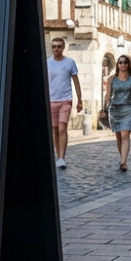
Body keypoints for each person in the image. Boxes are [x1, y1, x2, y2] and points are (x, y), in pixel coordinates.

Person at [103, 55, 131, 173]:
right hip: (115, 110)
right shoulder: (112, 78)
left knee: (125, 135)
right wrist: (104, 109)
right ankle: (122, 157)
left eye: (125, 62)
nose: (122, 65)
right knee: (119, 138)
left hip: (128, 110)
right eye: (120, 62)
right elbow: (108, 95)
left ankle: (123, 162)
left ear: (129, 64)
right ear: (117, 64)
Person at [47, 37, 82, 170]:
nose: (56, 49)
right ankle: (58, 155)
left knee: (62, 127)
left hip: (65, 100)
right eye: (54, 46)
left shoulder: (70, 63)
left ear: (63, 48)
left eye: (59, 46)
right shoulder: (47, 63)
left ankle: (62, 158)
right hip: (51, 100)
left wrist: (79, 100)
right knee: (55, 129)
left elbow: (76, 82)